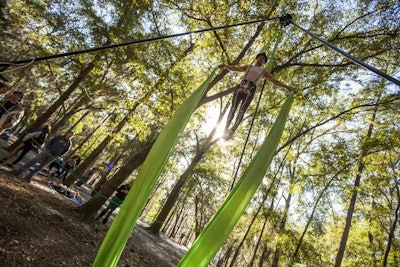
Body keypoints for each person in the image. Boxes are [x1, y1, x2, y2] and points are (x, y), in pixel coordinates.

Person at [219, 52, 292, 139]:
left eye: (263, 59)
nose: (261, 59)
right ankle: (226, 128)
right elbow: (236, 68)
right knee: (233, 107)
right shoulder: (248, 66)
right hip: (240, 87)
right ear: (256, 59)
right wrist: (226, 66)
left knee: (242, 111)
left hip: (250, 90)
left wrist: (285, 86)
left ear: (264, 62)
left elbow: (274, 81)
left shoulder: (264, 71)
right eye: (260, 57)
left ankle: (232, 130)